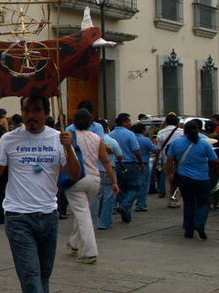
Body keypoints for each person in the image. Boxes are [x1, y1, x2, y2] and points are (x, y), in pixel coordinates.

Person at [0, 96, 81, 293]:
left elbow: (75, 174)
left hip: (48, 215)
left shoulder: (59, 139)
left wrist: (68, 148)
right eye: (26, 110)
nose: (31, 115)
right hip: (17, 216)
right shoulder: (9, 139)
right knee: (30, 273)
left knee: (43, 275)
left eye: (36, 110)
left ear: (47, 112)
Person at [65, 109, 118, 264]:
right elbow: (106, 162)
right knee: (82, 211)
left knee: (82, 214)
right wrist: (114, 181)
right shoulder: (96, 138)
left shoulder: (70, 137)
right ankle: (74, 243)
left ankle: (89, 252)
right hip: (95, 179)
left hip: (76, 179)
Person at [166, 120, 219, 240]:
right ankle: (200, 223)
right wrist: (217, 171)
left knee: (189, 204)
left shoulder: (176, 143)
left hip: (184, 178)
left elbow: (169, 160)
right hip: (202, 179)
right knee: (204, 203)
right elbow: (215, 160)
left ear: (184, 130)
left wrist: (169, 174)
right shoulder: (205, 144)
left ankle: (189, 231)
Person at [109, 113, 145, 223]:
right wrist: (141, 162)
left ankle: (126, 214)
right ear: (124, 122)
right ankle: (125, 206)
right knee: (135, 188)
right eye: (129, 121)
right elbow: (136, 150)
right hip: (130, 164)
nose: (130, 123)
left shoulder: (111, 134)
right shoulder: (130, 134)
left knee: (122, 189)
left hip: (117, 165)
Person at [155, 114, 184, 208]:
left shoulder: (161, 132)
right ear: (177, 122)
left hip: (166, 159)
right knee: (179, 180)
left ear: (166, 122)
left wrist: (157, 160)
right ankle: (176, 200)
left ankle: (170, 201)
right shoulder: (182, 132)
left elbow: (158, 149)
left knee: (169, 180)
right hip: (179, 160)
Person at [131, 122, 157, 212]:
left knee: (133, 185)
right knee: (143, 185)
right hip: (144, 164)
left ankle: (127, 203)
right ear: (143, 130)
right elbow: (154, 150)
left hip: (132, 164)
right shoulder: (146, 140)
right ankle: (140, 204)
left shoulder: (132, 138)